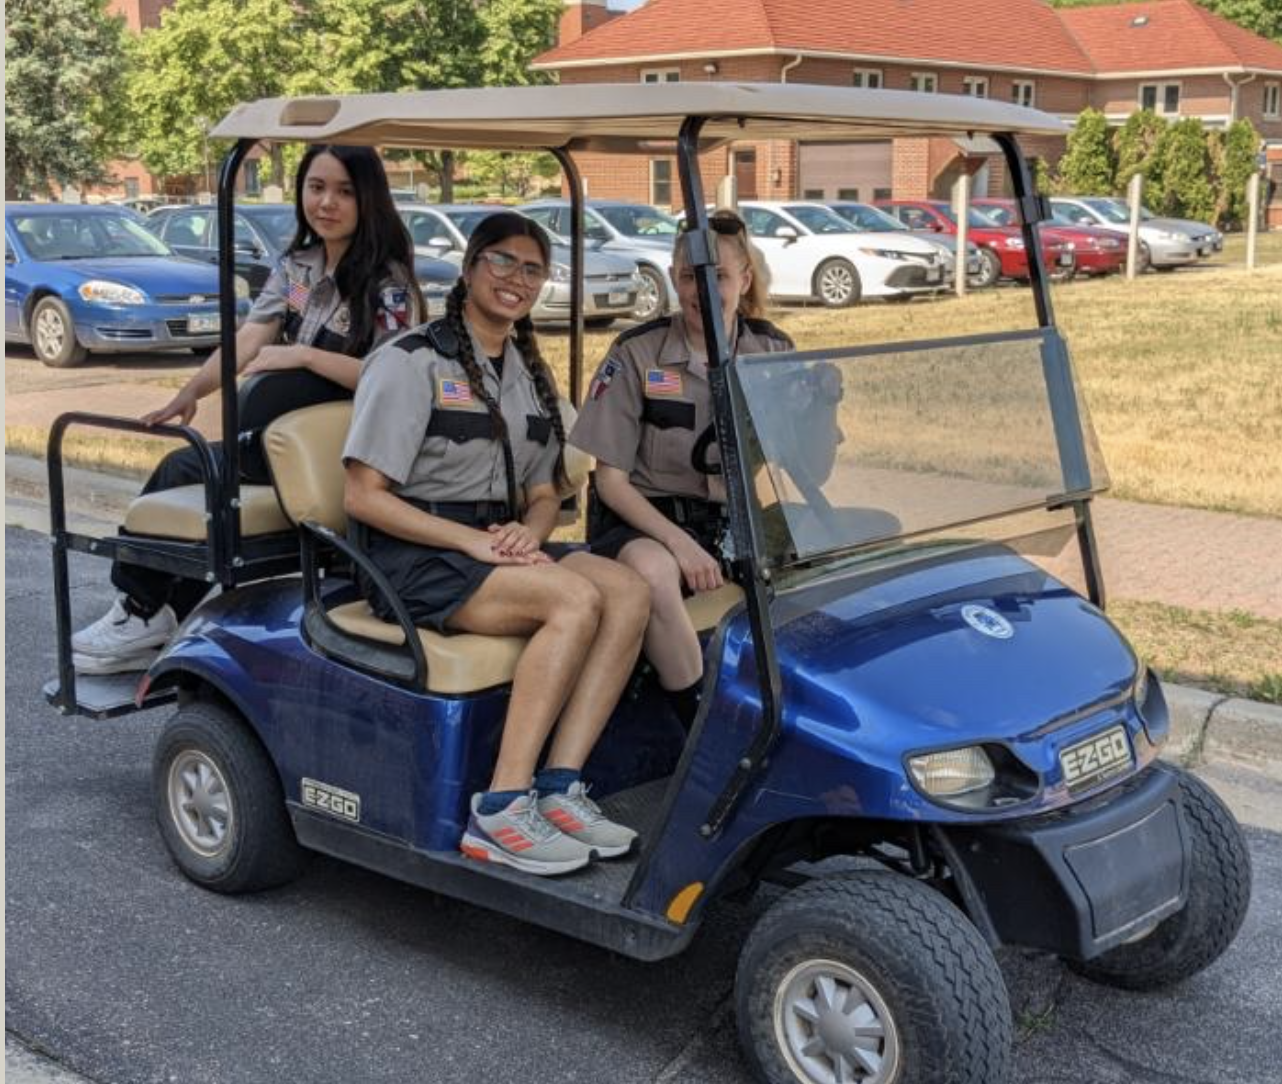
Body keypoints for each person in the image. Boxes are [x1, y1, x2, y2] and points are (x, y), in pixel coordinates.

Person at [342, 212, 651, 877]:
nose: (516, 279)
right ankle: (502, 807)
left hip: (491, 546)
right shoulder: (411, 361)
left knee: (628, 590)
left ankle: (559, 786)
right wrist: (475, 543)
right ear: (470, 266)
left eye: (532, 269)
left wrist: (525, 534)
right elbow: (363, 497)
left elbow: (545, 494)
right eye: (502, 261)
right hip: (410, 554)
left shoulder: (528, 372)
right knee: (572, 601)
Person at [72, 145, 425, 675]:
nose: (326, 202)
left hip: (349, 447)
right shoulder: (300, 270)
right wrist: (190, 392)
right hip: (286, 438)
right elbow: (250, 339)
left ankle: (145, 610)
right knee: (191, 470)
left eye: (344, 191)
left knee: (187, 469)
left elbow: (394, 378)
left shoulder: (386, 283)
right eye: (316, 187)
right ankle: (155, 612)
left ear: (369, 199)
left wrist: (305, 354)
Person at [569, 209, 794, 727]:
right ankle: (701, 730)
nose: (701, 290)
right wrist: (679, 543)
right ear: (674, 278)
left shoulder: (770, 350)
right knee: (654, 572)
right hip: (638, 522)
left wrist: (815, 414)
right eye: (690, 276)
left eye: (716, 275)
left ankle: (793, 711)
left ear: (743, 278)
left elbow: (797, 468)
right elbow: (610, 481)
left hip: (726, 521)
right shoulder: (637, 353)